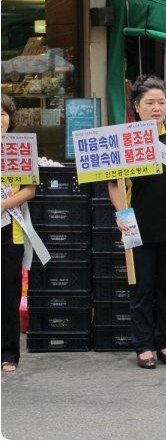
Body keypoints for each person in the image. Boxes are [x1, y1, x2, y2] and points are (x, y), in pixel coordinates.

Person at [108, 75, 166, 369]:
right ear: (137, 107)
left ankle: (165, 342)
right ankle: (143, 345)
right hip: (137, 225)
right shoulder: (125, 138)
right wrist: (121, 213)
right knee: (141, 289)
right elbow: (113, 183)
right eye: (149, 103)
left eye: (161, 102)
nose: (156, 108)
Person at [1, 94, 36, 373]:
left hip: (8, 230)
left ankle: (9, 353)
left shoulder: (19, 147)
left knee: (8, 293)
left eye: (3, 114)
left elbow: (29, 189)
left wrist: (2, 204)